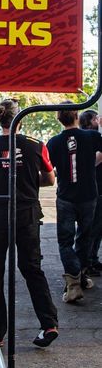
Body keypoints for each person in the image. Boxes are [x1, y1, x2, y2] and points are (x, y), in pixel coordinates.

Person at [0, 99, 59, 348]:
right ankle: (48, 323)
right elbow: (50, 179)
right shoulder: (35, 146)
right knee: (32, 268)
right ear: (20, 119)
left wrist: (1, 175)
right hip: (27, 213)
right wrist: (26, 178)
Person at [47, 104, 102, 302]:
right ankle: (79, 277)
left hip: (66, 196)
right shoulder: (92, 137)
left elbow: (47, 171)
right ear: (77, 116)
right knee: (85, 237)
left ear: (58, 118)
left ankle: (74, 281)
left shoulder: (53, 143)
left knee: (65, 241)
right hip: (88, 195)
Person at [78, 109, 102, 275]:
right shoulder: (88, 138)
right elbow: (94, 161)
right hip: (93, 190)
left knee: (98, 228)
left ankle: (92, 259)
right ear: (88, 122)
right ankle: (87, 262)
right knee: (92, 228)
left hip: (98, 188)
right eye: (96, 119)